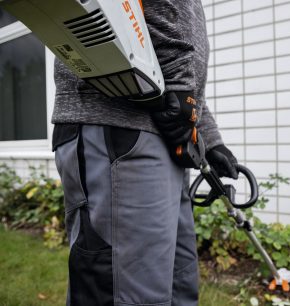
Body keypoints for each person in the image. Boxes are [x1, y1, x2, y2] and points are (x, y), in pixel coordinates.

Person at [51, 1, 237, 305]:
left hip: (164, 133)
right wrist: (178, 91)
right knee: (126, 293)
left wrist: (209, 137)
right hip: (119, 126)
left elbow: (181, 68)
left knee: (177, 286)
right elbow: (169, 52)